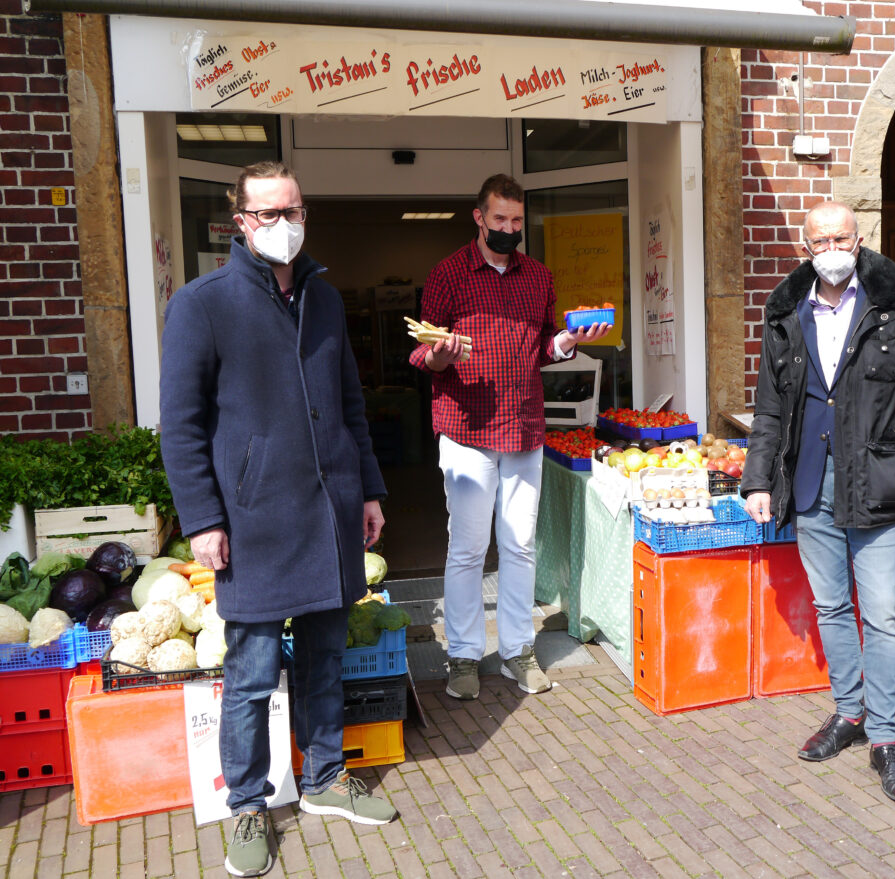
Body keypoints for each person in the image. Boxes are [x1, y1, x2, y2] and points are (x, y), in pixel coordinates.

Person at [160, 161, 397, 878]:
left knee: (328, 657)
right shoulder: (201, 304)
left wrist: (372, 490)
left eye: (291, 210)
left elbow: (350, 402)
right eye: (266, 214)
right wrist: (202, 516)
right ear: (240, 221)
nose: (281, 225)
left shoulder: (323, 299)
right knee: (254, 670)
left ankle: (325, 778)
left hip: (328, 511)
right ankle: (247, 804)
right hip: (255, 519)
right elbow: (181, 426)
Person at [741, 201, 895, 805]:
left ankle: (885, 739)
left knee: (882, 611)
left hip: (879, 483)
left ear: (859, 240)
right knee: (832, 607)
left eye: (841, 236)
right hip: (810, 484)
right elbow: (770, 409)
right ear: (803, 248)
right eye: (819, 240)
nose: (831, 247)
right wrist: (758, 480)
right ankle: (848, 713)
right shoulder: (784, 313)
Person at [409, 173, 611, 701]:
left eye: (517, 220)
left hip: (523, 427)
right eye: (499, 219)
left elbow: (546, 343)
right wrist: (441, 354)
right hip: (466, 430)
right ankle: (463, 656)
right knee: (468, 550)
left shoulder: (538, 277)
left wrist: (569, 340)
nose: (508, 228)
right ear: (479, 217)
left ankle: (518, 652)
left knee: (520, 547)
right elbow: (421, 352)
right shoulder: (448, 274)